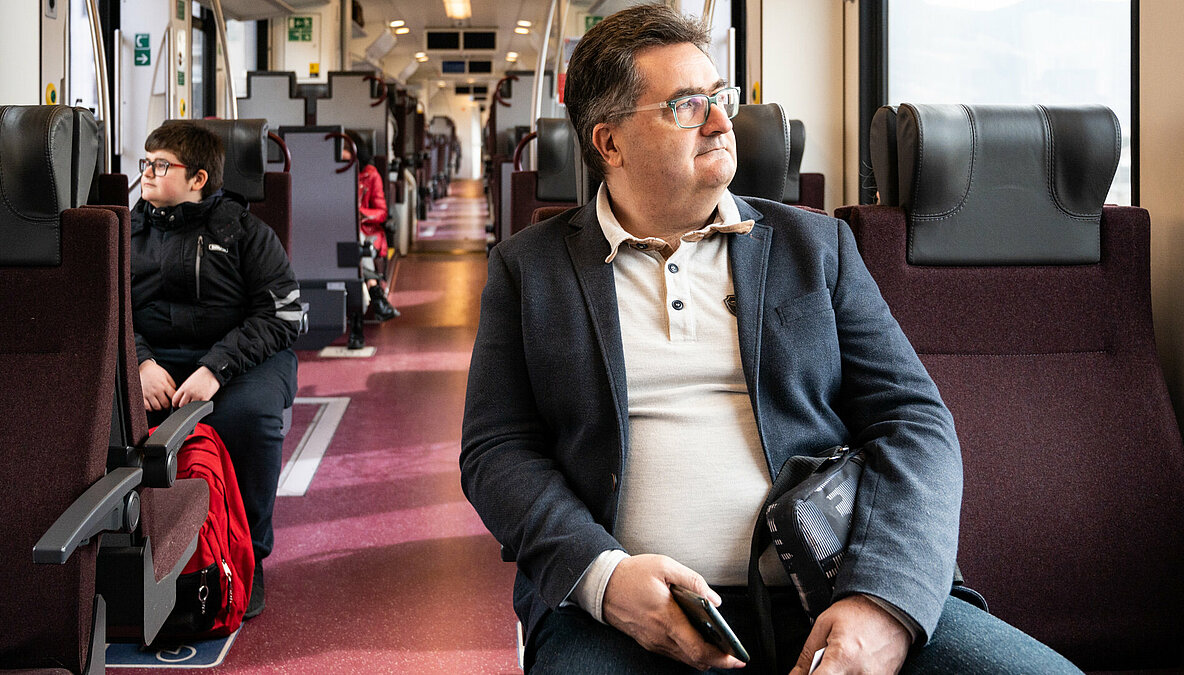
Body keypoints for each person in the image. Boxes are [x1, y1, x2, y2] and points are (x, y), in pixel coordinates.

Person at [460, 5, 1083, 674]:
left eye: (720, 98)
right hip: (628, 612)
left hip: (833, 580)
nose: (724, 122)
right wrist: (604, 577)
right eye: (686, 106)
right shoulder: (531, 270)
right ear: (610, 143)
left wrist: (884, 599)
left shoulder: (815, 248)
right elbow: (497, 451)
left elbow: (916, 422)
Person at [131, 120, 301, 620]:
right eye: (145, 161)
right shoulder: (124, 230)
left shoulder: (246, 232)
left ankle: (249, 552)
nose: (147, 172)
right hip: (154, 359)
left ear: (198, 178)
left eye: (161, 165)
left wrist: (216, 368)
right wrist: (139, 361)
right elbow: (106, 309)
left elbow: (283, 314)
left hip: (244, 358)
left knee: (246, 419)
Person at [344, 130, 399, 324]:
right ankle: (376, 292)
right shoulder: (329, 174)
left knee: (356, 240)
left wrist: (362, 214)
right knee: (351, 240)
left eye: (344, 150)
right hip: (341, 232)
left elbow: (382, 212)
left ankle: (372, 297)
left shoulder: (370, 175)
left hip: (368, 232)